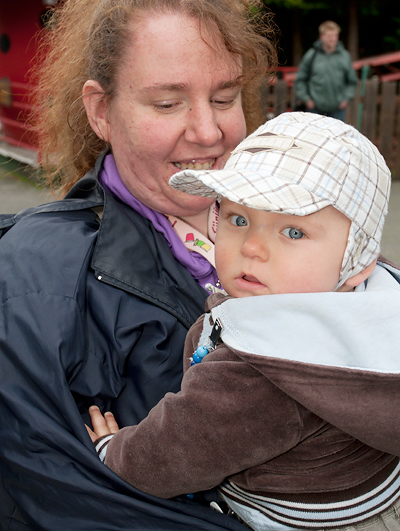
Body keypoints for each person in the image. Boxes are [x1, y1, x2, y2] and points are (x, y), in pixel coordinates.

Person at [0, 0, 277, 531]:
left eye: (224, 97)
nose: (208, 131)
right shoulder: (36, 278)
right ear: (101, 110)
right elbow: (69, 501)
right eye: (167, 102)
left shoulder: (296, 220)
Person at [87, 112, 400, 531]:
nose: (252, 246)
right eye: (239, 219)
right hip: (372, 494)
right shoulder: (376, 298)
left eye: (292, 232)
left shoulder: (267, 370)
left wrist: (112, 451)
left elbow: (176, 452)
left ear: (357, 263)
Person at [295, 20, 358, 121]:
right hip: (314, 109)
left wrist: (346, 99)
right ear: (322, 37)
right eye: (329, 36)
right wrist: (306, 99)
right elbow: (300, 79)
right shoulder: (312, 55)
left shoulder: (344, 56)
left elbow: (352, 81)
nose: (332, 39)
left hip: (337, 110)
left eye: (334, 36)